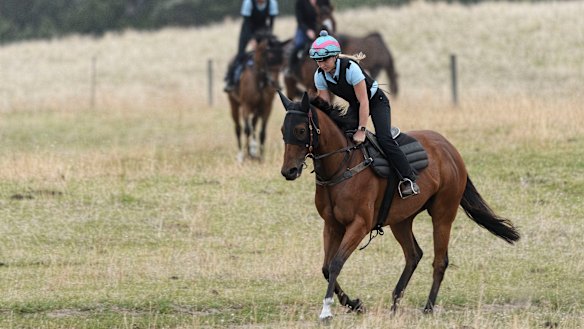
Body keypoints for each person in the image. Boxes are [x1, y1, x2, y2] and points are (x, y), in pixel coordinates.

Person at [310, 30, 420, 198]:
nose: (321, 64)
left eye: (324, 59)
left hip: (376, 101)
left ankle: (408, 178)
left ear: (335, 56)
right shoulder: (320, 76)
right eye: (318, 60)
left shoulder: (351, 69)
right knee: (344, 135)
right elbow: (324, 106)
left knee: (384, 138)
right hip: (357, 105)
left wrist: (361, 129)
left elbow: (364, 101)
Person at [224, 0, 279, 92]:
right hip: (247, 31)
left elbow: (271, 23)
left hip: (263, 31)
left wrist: (268, 37)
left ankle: (273, 82)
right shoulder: (248, 2)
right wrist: (251, 39)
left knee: (271, 54)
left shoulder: (272, 3)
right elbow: (246, 23)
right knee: (240, 55)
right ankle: (231, 81)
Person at [288, 0, 319, 77]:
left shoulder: (322, 1)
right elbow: (300, 20)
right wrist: (308, 31)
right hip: (304, 29)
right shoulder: (300, 2)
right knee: (299, 45)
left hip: (319, 28)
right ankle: (291, 69)